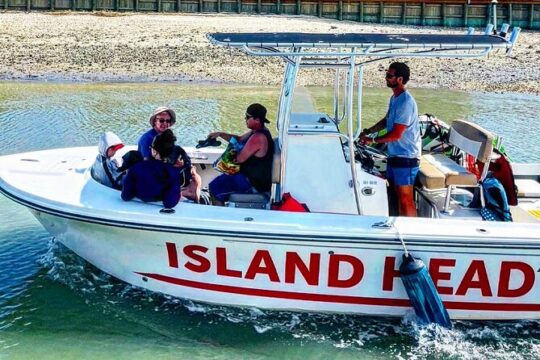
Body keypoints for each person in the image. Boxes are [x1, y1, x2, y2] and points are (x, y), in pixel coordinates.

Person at [360, 62, 421, 217]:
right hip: (395, 154)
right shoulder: (395, 98)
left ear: (400, 79)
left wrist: (372, 141)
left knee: (405, 198)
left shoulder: (406, 102)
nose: (386, 78)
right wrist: (369, 131)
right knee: (394, 193)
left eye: (389, 75)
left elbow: (396, 134)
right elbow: (386, 120)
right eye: (386, 74)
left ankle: (411, 233)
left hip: (406, 157)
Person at [207, 103, 275, 204]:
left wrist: (230, 152)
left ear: (257, 120)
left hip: (253, 184)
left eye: (247, 117)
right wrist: (220, 134)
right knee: (219, 182)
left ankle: (220, 216)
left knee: (213, 188)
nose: (245, 119)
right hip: (249, 177)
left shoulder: (258, 137)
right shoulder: (258, 131)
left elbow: (239, 159)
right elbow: (238, 139)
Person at [138, 106, 202, 202]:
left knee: (195, 175)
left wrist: (185, 165)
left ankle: (188, 190)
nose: (165, 124)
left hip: (163, 169)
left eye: (168, 121)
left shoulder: (166, 137)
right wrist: (175, 167)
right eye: (162, 120)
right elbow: (148, 164)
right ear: (155, 121)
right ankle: (185, 192)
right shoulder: (147, 139)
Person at [121, 129, 182, 210]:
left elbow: (125, 196)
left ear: (154, 151)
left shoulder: (135, 167)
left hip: (136, 208)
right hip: (157, 213)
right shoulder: (173, 173)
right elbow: (169, 203)